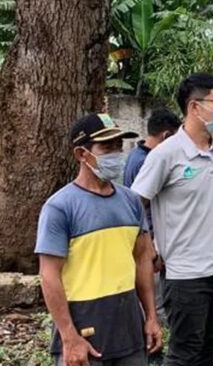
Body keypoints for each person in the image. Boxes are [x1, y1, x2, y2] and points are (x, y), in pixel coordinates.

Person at [131, 73, 213, 366]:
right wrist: (146, 245)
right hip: (186, 275)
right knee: (185, 352)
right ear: (194, 107)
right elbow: (135, 203)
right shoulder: (166, 154)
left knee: (210, 346)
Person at [35, 113, 163, 366]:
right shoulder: (60, 207)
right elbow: (49, 276)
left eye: (118, 146)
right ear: (82, 154)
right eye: (107, 147)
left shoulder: (131, 201)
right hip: (85, 329)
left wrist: (150, 316)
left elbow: (142, 260)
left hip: (129, 328)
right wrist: (69, 337)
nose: (116, 153)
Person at [123, 107, 181, 364]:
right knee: (153, 304)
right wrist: (152, 247)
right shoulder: (147, 160)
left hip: (147, 241)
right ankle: (152, 351)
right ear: (167, 135)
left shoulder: (137, 155)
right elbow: (140, 208)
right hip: (149, 244)